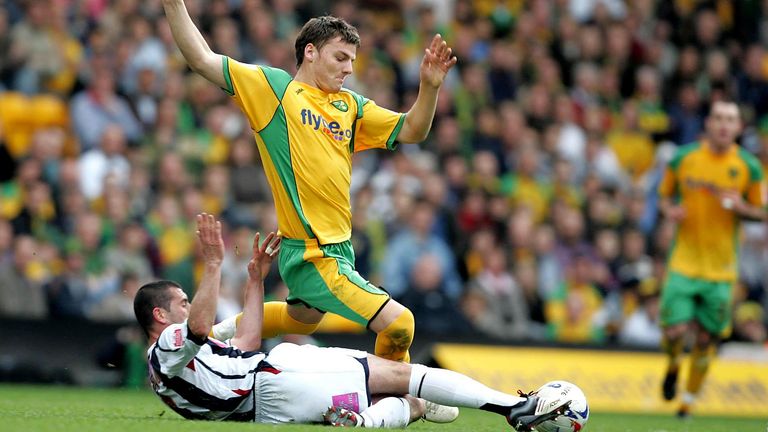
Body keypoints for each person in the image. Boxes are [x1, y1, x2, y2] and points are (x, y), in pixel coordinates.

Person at [161, 1, 457, 363]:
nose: (349, 68)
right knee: (400, 325)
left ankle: (224, 331)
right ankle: (392, 401)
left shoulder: (352, 106)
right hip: (313, 251)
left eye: (352, 60)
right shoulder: (274, 90)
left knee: (301, 320)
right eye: (340, 58)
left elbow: (412, 129)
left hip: (338, 247)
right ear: (311, 52)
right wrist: (173, 4)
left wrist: (429, 88)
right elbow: (202, 59)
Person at [134, 214, 569, 429]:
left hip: (269, 402)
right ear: (160, 315)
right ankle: (514, 408)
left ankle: (364, 420)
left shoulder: (174, 364)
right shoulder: (168, 345)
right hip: (279, 377)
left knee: (411, 402)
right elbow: (195, 329)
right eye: (182, 302)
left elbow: (246, 341)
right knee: (402, 375)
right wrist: (212, 264)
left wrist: (255, 280)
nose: (189, 308)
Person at [657, 100, 767, 417]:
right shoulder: (684, 159)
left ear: (738, 128)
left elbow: (761, 213)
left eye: (730, 119)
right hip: (684, 262)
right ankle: (674, 363)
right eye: (718, 118)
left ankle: (687, 403)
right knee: (674, 330)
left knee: (706, 339)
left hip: (721, 270)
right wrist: (671, 211)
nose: (723, 124)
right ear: (708, 123)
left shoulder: (749, 168)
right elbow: (664, 197)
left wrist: (741, 207)